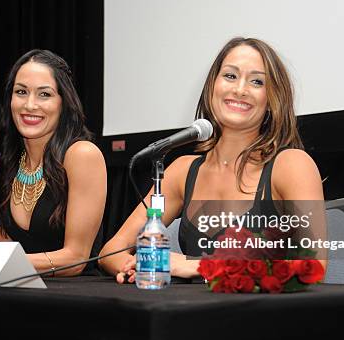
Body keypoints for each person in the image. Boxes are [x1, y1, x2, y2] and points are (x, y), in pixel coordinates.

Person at [98, 37, 326, 283]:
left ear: (272, 100)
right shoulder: (182, 172)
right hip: (191, 314)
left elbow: (313, 268)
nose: (240, 89)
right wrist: (136, 266)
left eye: (257, 81)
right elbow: (111, 252)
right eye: (230, 76)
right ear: (212, 87)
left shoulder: (291, 165)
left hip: (263, 316)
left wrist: (201, 266)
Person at [0, 49, 107, 276]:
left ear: (64, 102)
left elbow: (75, 258)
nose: (30, 105)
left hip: (73, 300)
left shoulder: (82, 155)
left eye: (44, 94)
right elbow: (1, 247)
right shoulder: (2, 161)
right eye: (21, 92)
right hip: (14, 292)